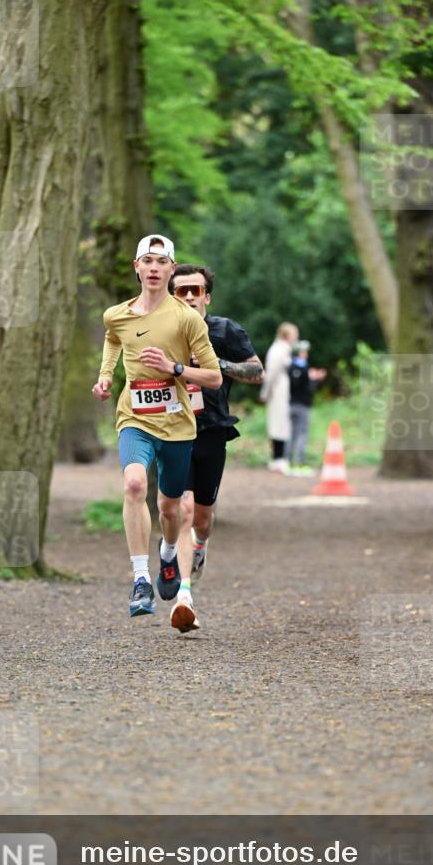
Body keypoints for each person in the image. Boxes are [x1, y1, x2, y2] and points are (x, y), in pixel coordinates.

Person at [92, 235, 222, 617]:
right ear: (137, 268)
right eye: (146, 260)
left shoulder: (187, 318)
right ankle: (140, 580)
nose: (153, 267)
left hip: (177, 424)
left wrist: (174, 368)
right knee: (134, 484)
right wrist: (105, 376)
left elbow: (213, 377)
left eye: (160, 261)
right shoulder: (116, 314)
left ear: (170, 269)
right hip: (134, 416)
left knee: (170, 508)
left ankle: (167, 554)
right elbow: (113, 338)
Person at [169, 264, 264, 634]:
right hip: (173, 429)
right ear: (173, 296)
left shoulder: (226, 331)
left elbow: (256, 373)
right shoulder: (161, 331)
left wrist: (216, 364)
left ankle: (200, 547)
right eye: (182, 291)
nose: (190, 297)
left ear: (207, 295)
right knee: (184, 507)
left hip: (212, 429)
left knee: (203, 519)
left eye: (196, 290)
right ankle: (183, 596)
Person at [260, 322, 298, 473]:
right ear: (287, 335)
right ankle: (278, 459)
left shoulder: (285, 349)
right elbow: (271, 374)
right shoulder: (277, 350)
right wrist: (265, 393)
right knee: (277, 425)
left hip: (282, 392)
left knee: (282, 425)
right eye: (295, 335)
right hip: (276, 392)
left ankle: (280, 458)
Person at [287, 340, 327, 476]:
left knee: (292, 434)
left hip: (291, 404)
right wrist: (315, 379)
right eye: (304, 352)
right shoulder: (304, 369)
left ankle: (289, 463)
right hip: (303, 405)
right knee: (302, 434)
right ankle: (300, 463)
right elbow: (308, 388)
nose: (306, 354)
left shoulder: (290, 367)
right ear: (300, 353)